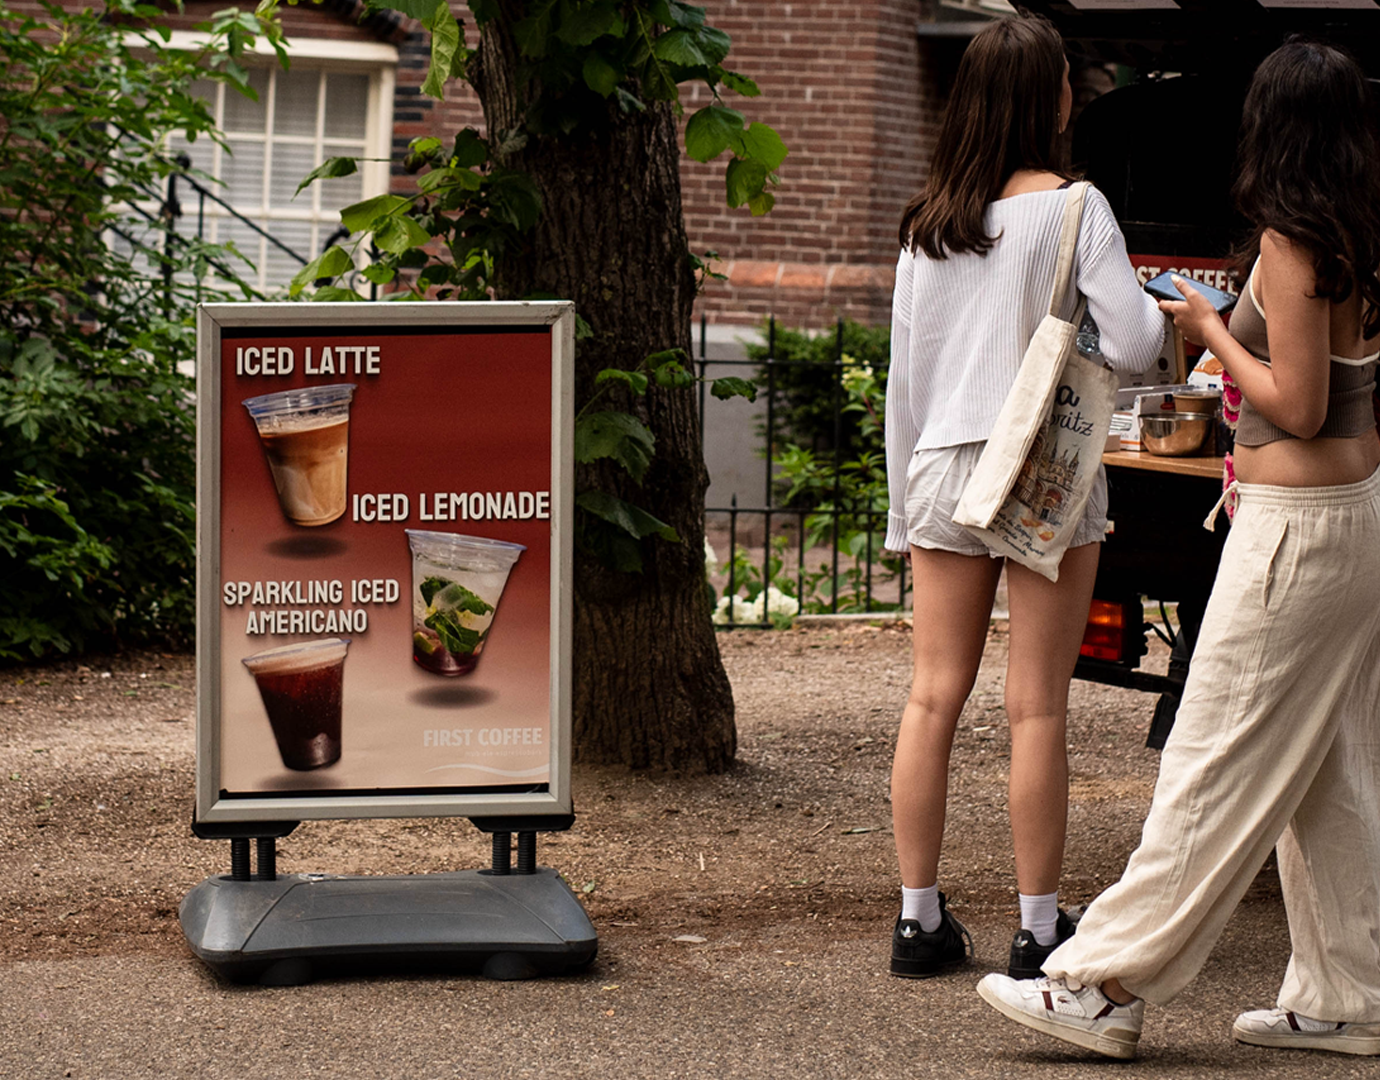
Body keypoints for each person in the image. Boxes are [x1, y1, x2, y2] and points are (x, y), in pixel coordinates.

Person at [978, 37, 1380, 1059]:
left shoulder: (1294, 243)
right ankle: (1350, 994)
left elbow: (1297, 400)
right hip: (1356, 517)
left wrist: (1210, 325)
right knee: (1331, 771)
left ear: (1272, 128)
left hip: (1297, 532)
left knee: (1212, 755)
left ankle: (1101, 982)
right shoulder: (1363, 235)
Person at [884, 12, 1163, 982]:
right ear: (1048, 99)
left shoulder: (930, 224)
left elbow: (904, 386)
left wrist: (898, 504)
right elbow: (1135, 344)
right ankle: (1039, 927)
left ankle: (919, 922)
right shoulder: (1078, 210)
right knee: (1036, 705)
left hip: (944, 465)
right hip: (1041, 468)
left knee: (932, 696)